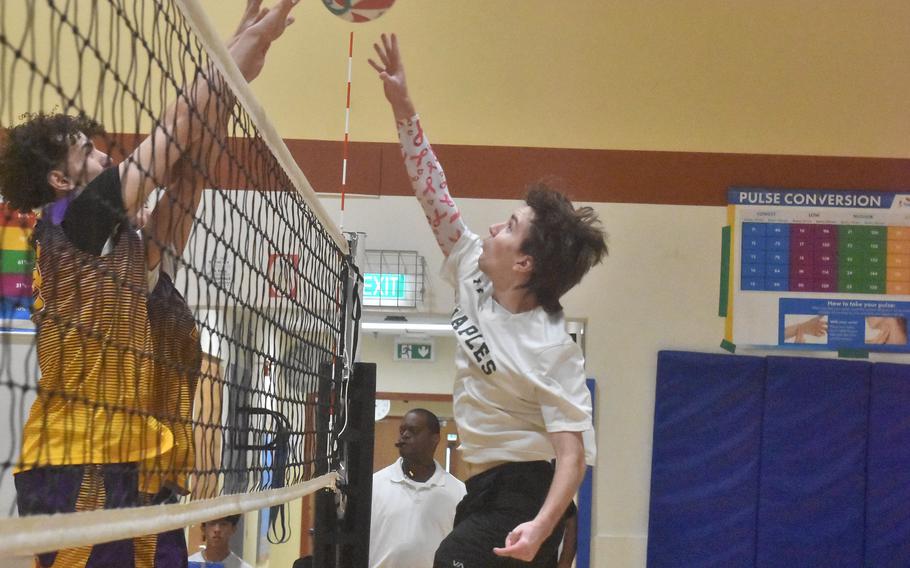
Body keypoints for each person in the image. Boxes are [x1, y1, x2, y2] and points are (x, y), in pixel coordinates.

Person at [0, 1, 299, 566]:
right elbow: (177, 128)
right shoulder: (71, 222)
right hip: (78, 462)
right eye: (90, 152)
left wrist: (230, 72)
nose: (108, 154)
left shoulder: (129, 250)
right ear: (62, 180)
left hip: (141, 459)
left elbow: (192, 173)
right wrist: (236, 57)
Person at [370, 34, 606, 566]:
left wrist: (542, 526)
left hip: (526, 494)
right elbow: (433, 192)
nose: (494, 225)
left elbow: (572, 455)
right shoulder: (472, 271)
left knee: (448, 560)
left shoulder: (551, 347)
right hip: (482, 493)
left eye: (511, 225)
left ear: (525, 263)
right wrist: (404, 109)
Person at [369, 409, 467, 568]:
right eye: (402, 430)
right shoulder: (374, 485)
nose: (404, 435)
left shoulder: (459, 492)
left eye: (413, 431)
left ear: (435, 439)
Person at [187, 515, 253, 568]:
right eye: (212, 523)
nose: (217, 529)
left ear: (233, 529)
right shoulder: (186, 564)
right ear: (203, 528)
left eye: (223, 524)